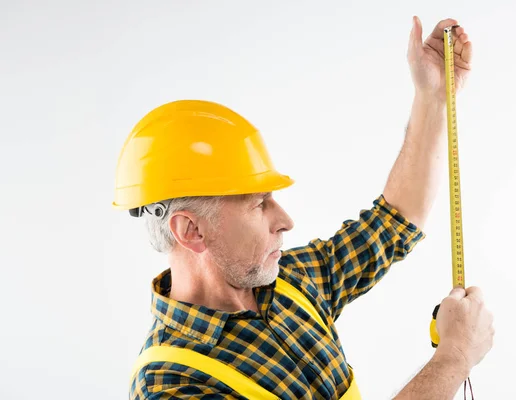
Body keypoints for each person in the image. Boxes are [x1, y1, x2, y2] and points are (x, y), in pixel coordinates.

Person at [113, 16, 494, 400]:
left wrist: (433, 97)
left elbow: (395, 221)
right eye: (259, 204)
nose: (285, 220)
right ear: (191, 230)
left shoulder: (289, 284)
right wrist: (454, 357)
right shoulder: (171, 384)